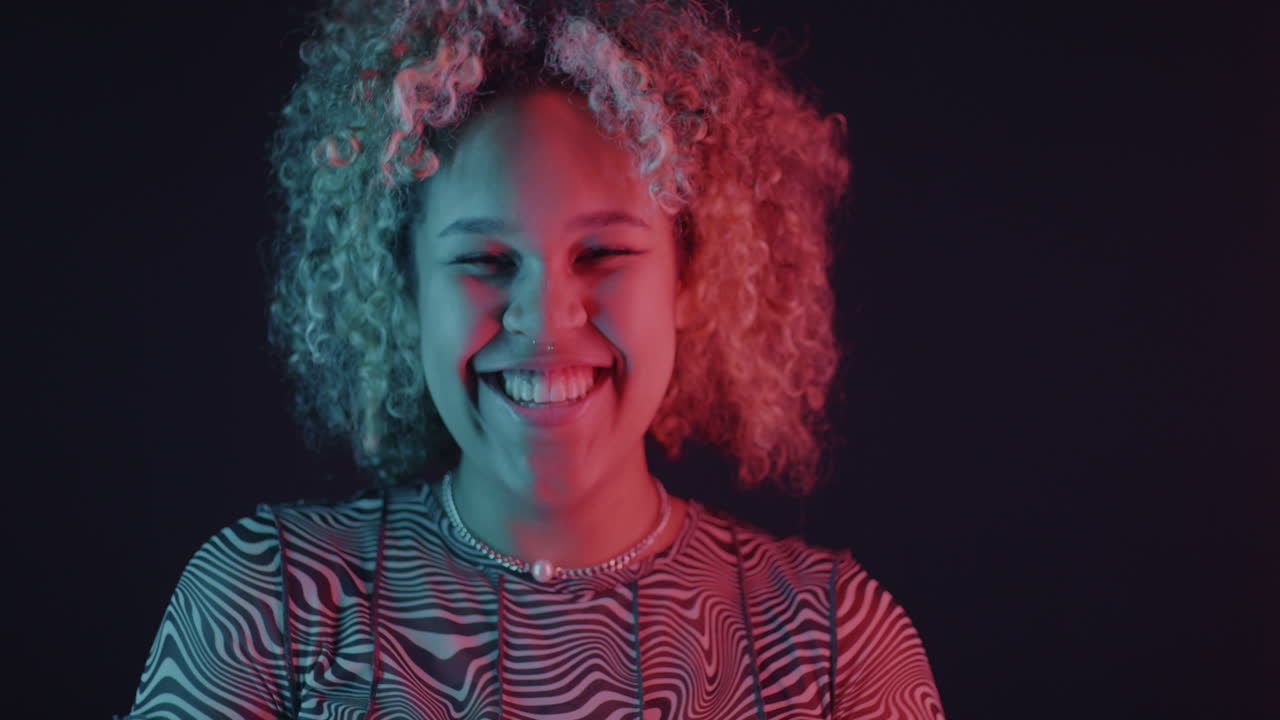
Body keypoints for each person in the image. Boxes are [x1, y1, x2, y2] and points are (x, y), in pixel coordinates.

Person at [122, 0, 946, 717]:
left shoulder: (835, 642)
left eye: (603, 254)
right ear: (405, 292)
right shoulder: (268, 601)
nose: (547, 318)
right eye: (486, 260)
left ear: (691, 278)